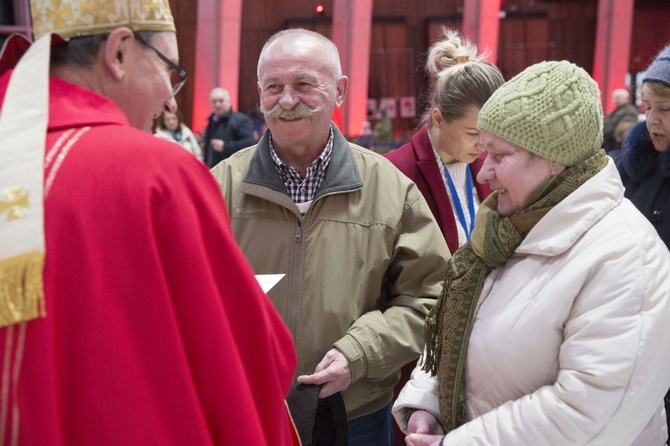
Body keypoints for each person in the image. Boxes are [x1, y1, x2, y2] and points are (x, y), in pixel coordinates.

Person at [0, 1, 298, 445]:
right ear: (118, 52)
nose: (170, 99)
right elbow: (249, 358)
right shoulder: (157, 174)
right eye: (171, 71)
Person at [393, 60, 670, 445]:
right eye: (482, 150)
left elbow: (589, 413)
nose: (483, 172)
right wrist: (428, 403)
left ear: (553, 159)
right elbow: (461, 331)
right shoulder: (506, 230)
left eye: (500, 155)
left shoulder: (625, 256)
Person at [210, 28, 450, 446]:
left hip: (354, 417)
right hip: (247, 413)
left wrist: (359, 353)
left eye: (303, 84)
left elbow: (431, 298)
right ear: (258, 94)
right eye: (273, 87)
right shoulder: (217, 188)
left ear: (339, 92)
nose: (287, 101)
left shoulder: (390, 190)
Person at [385, 27, 503, 254]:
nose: (482, 145)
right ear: (438, 118)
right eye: (472, 133)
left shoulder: (493, 169)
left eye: (490, 134)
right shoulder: (395, 172)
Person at [615, 43, 670, 444]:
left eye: (665, 109)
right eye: (648, 106)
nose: (653, 120)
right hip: (633, 348)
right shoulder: (629, 169)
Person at [202, 87, 256, 167]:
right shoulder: (211, 121)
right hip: (213, 170)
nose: (217, 104)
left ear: (228, 102)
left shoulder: (242, 120)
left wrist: (225, 147)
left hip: (234, 169)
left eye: (221, 101)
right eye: (214, 101)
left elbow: (250, 144)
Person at [602, 88, 639, 152]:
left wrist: (604, 134)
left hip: (617, 147)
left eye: (618, 98)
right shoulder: (613, 112)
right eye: (614, 98)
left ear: (626, 98)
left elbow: (622, 129)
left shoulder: (630, 111)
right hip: (608, 145)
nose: (615, 100)